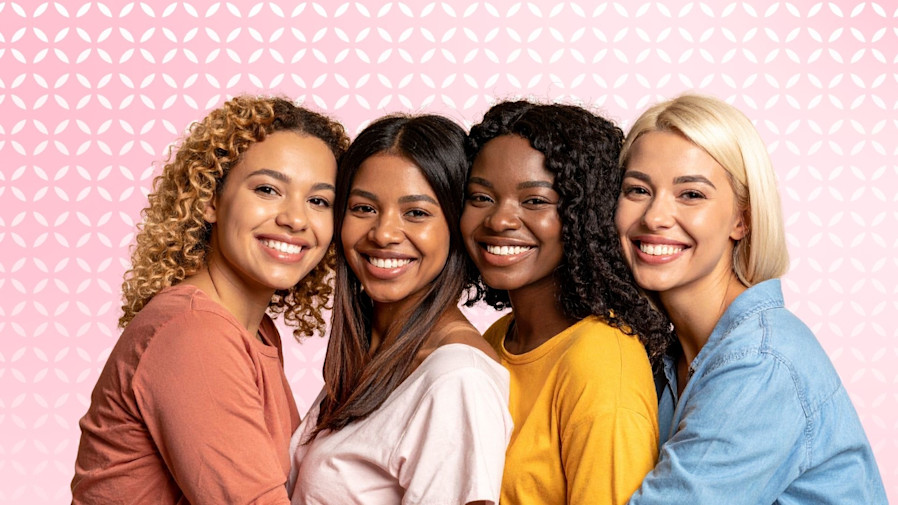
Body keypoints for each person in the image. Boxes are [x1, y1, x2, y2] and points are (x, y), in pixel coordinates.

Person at [71, 96, 349, 505]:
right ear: (210, 200)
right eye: (268, 189)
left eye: (319, 200)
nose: (295, 218)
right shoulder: (194, 333)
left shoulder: (254, 332)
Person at [616, 94, 887, 504]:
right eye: (638, 189)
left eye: (691, 194)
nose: (654, 217)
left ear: (742, 218)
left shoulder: (760, 361)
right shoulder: (667, 356)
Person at [287, 114, 512, 505]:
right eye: (363, 208)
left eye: (417, 213)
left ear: (456, 227)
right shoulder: (372, 354)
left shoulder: (456, 378)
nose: (384, 233)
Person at [460, 100, 673, 505]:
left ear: (584, 215)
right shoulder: (496, 338)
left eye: (535, 201)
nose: (500, 220)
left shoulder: (601, 361)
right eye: (481, 197)